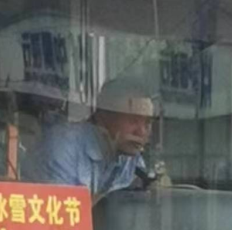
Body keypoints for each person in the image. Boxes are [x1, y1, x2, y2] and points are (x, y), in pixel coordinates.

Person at [22, 78, 154, 198]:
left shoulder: (129, 155)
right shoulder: (63, 148)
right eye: (133, 121)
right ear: (104, 115)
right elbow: (63, 212)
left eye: (147, 123)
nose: (141, 132)